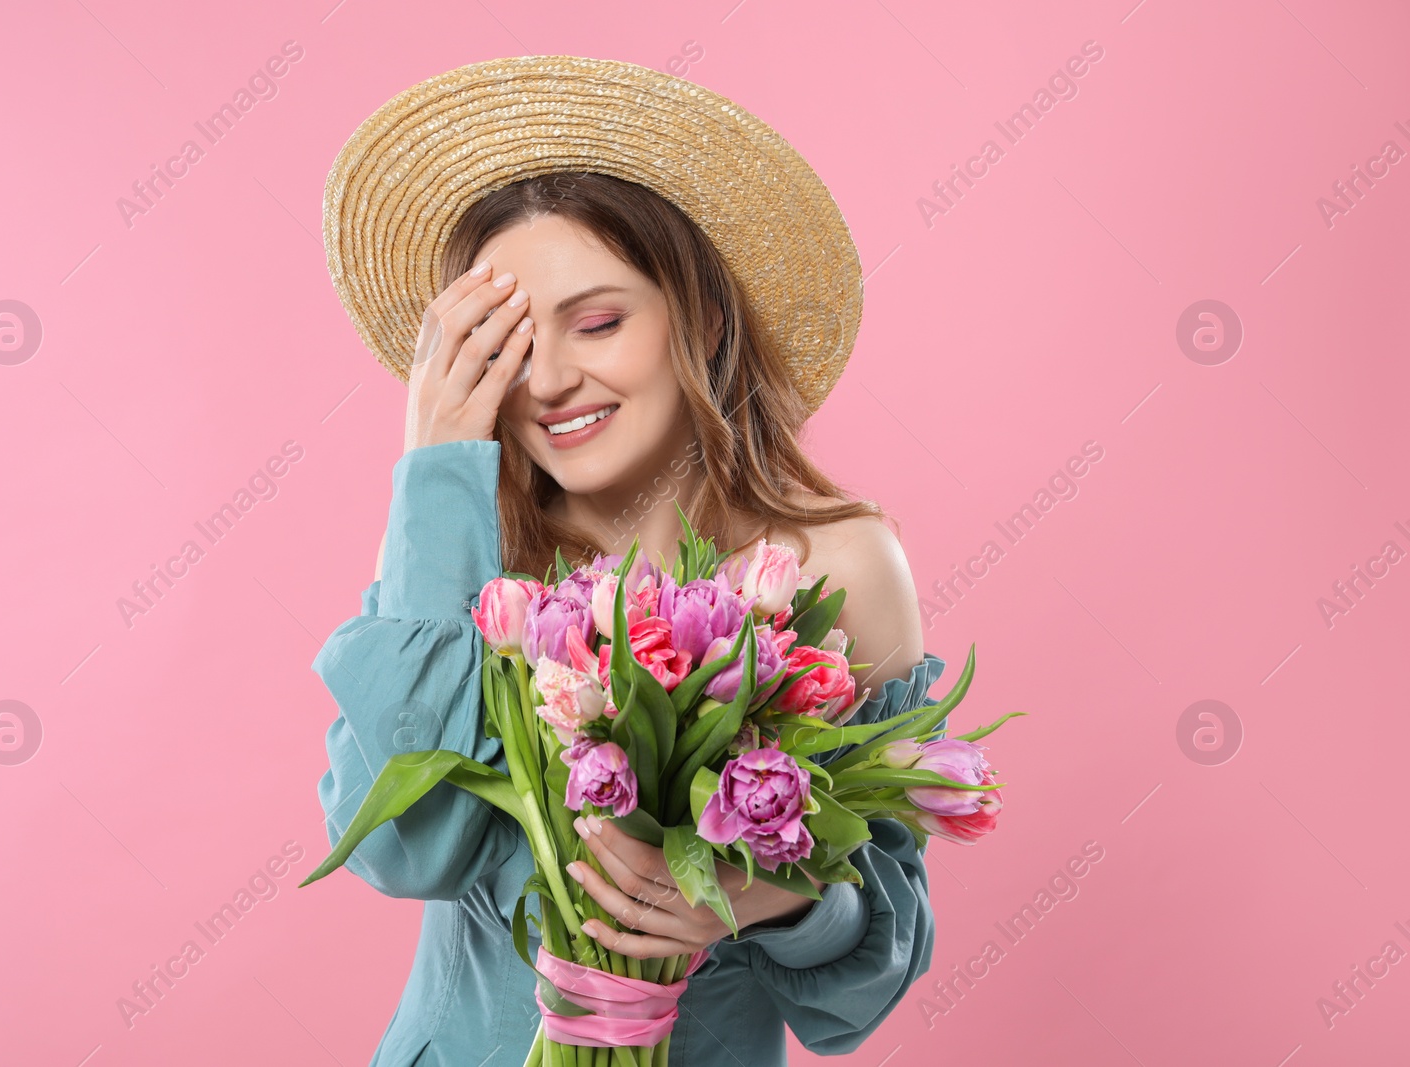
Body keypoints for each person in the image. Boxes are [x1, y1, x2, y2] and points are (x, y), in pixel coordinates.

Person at [311, 55, 949, 1066]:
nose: (553, 379)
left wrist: (782, 896)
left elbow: (861, 987)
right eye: (507, 347)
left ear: (697, 315)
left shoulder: (833, 563)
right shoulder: (469, 557)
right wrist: (433, 470)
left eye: (598, 321)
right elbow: (399, 848)